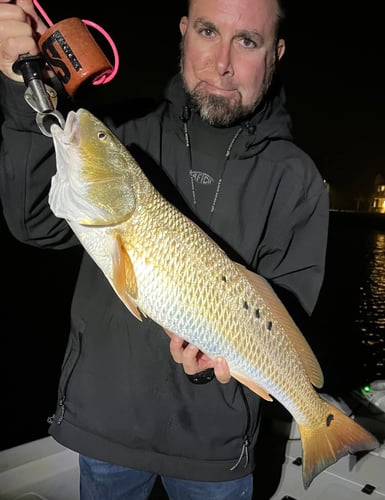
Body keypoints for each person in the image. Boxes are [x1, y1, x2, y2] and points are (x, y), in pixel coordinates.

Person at [0, 0, 329, 498]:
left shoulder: (298, 178)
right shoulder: (125, 128)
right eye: (207, 30)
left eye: (247, 41)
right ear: (183, 31)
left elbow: (289, 310)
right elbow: (33, 223)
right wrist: (20, 90)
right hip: (106, 430)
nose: (222, 61)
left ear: (275, 52)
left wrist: (235, 354)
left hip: (217, 452)